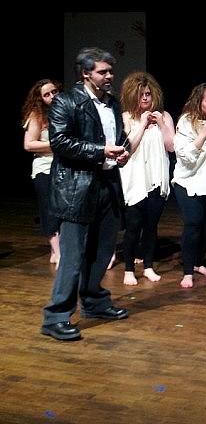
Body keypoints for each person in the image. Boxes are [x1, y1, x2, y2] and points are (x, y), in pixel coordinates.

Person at [41, 47, 130, 341]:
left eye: (110, 72)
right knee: (74, 255)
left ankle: (94, 302)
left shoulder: (112, 104)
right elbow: (61, 142)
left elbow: (116, 138)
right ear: (85, 73)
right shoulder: (67, 102)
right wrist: (100, 151)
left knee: (102, 251)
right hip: (76, 187)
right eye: (102, 72)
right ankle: (56, 317)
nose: (109, 77)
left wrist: (121, 152)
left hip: (107, 182)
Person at [118, 72, 175, 285]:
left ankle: (149, 266)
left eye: (148, 94)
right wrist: (142, 124)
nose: (145, 98)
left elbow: (171, 146)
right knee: (133, 226)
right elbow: (127, 148)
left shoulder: (165, 116)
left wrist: (161, 124)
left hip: (157, 180)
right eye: (141, 94)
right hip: (135, 180)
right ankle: (129, 269)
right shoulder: (126, 117)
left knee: (151, 226)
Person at [172, 83, 206, 289]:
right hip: (188, 182)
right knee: (193, 223)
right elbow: (185, 157)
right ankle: (187, 270)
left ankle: (199, 263)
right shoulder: (186, 122)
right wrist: (202, 135)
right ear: (199, 102)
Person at [21, 78, 62, 269]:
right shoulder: (37, 116)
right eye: (47, 94)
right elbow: (29, 144)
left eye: (54, 92)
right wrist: (55, 145)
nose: (52, 96)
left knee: (63, 211)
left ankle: (57, 252)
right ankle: (57, 252)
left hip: (63, 167)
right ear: (40, 99)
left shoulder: (64, 112)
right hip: (45, 168)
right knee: (49, 210)